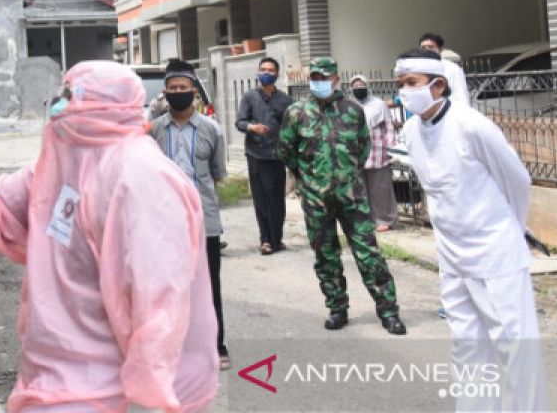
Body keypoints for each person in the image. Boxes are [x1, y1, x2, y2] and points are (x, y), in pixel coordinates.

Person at [0, 60, 218, 412]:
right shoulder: (63, 163)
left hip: (109, 388)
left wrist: (150, 391)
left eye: (69, 94)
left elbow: (161, 298)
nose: (59, 104)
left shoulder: (140, 176)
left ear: (104, 105)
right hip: (51, 379)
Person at [395, 48, 547, 410]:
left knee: (514, 343)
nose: (403, 90)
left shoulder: (471, 125)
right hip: (451, 252)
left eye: (411, 83)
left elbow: (516, 180)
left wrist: (514, 227)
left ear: (438, 86)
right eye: (400, 83)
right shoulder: (413, 130)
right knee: (466, 342)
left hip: (495, 251)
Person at [278, 57, 406, 335]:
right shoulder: (296, 112)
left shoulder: (353, 111)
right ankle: (337, 307)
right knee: (326, 256)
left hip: (353, 198)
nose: (319, 83)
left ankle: (389, 311)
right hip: (316, 200)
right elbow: (287, 152)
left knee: (369, 254)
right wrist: (309, 181)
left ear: (336, 80)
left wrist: (345, 176)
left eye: (325, 78)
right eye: (315, 77)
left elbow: (363, 149)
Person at [149, 60, 230, 370]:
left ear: (195, 93)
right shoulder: (154, 130)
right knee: (167, 286)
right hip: (164, 223)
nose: (179, 93)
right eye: (173, 89)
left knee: (209, 284)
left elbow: (217, 173)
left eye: (184, 88)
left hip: (203, 221)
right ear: (165, 93)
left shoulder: (212, 130)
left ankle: (216, 346)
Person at [235, 57, 293, 255]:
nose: (266, 73)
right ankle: (265, 239)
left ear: (277, 74)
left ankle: (277, 238)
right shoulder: (250, 97)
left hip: (277, 156)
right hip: (256, 154)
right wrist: (252, 127)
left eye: (270, 69)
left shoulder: (285, 100)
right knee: (261, 199)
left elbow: (291, 126)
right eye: (263, 69)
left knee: (277, 199)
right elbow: (240, 122)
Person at [349, 75, 399, 231]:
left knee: (380, 188)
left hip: (377, 151)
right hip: (356, 151)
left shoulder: (378, 104)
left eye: (361, 85)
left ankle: (384, 220)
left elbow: (389, 126)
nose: (358, 88)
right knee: (359, 189)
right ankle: (365, 220)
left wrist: (390, 146)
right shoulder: (348, 105)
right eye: (355, 86)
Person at [419, 33, 471, 109]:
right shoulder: (418, 69)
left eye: (430, 47)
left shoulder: (452, 69)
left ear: (440, 49)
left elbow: (461, 95)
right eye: (423, 47)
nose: (426, 50)